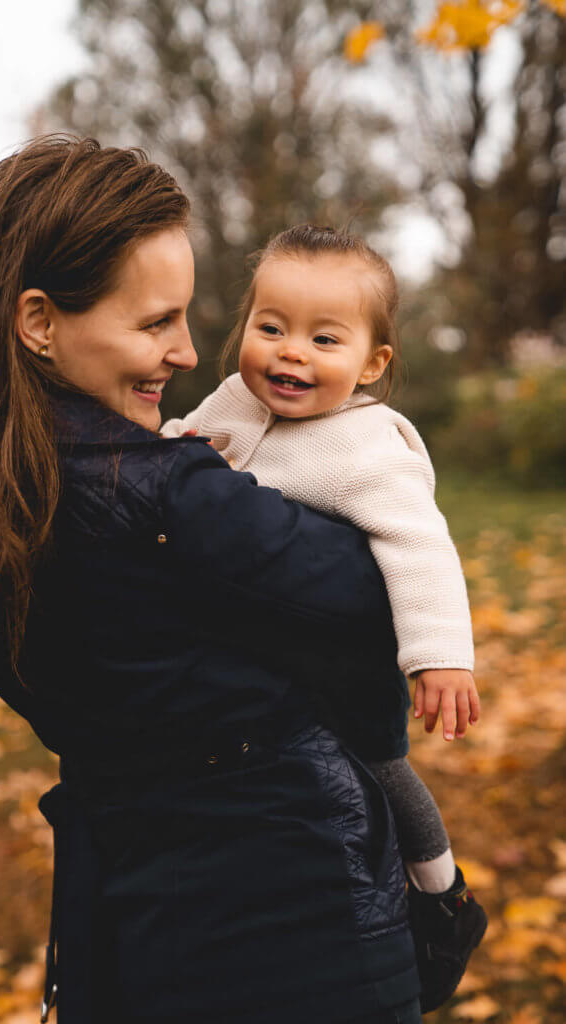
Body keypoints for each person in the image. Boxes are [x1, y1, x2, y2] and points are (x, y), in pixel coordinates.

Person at [0, 136, 423, 1023]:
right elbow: (376, 597)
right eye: (153, 323)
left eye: (185, 317)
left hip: (122, 918)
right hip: (290, 921)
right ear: (39, 322)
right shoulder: (166, 491)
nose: (183, 352)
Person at [162, 224, 488, 1009]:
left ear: (372, 363)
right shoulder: (236, 400)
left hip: (344, 665)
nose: (289, 353)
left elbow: (419, 545)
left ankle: (437, 890)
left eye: (323, 338)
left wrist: (440, 653)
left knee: (378, 762)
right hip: (262, 667)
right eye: (269, 327)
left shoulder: (367, 447)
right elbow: (187, 445)